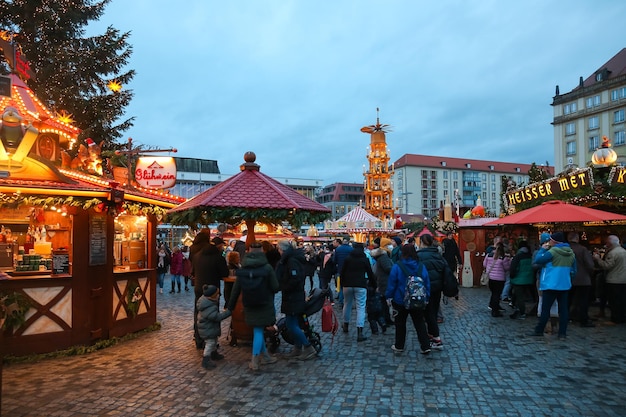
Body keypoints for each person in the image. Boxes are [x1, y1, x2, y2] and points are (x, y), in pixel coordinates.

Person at [227, 242, 280, 371]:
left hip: (249, 303)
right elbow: (275, 287)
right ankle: (255, 360)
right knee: (258, 331)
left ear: (249, 251)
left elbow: (235, 290)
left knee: (258, 330)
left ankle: (266, 357)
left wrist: (230, 306)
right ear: (262, 251)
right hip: (264, 303)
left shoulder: (243, 268)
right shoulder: (267, 268)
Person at [385, 244, 431, 355]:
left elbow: (392, 283)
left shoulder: (397, 266)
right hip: (417, 298)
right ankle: (425, 345)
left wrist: (388, 296)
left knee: (400, 323)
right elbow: (426, 282)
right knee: (419, 322)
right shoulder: (421, 266)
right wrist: (427, 297)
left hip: (400, 299)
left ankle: (399, 345)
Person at [275, 239, 317, 360]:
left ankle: (308, 347)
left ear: (282, 250)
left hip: (293, 296)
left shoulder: (291, 261)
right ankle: (298, 348)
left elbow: (295, 279)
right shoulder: (292, 259)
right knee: (293, 323)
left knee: (291, 324)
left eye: (278, 249)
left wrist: (284, 287)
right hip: (293, 296)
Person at [529, 232, 576, 339]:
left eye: (550, 240)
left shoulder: (553, 252)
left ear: (554, 241)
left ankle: (539, 330)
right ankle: (562, 333)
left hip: (550, 284)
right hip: (564, 285)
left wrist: (542, 249)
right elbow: (574, 270)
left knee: (546, 309)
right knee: (563, 310)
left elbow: (538, 260)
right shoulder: (571, 253)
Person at [191, 233, 229, 349]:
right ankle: (211, 342)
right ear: (218, 247)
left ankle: (199, 339)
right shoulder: (218, 257)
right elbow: (225, 274)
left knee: (198, 313)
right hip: (213, 290)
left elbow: (193, 272)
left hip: (198, 288)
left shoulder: (197, 255)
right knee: (213, 315)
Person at [340, 242, 377, 342]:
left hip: (347, 284)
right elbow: (370, 273)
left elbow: (342, 272)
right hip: (360, 284)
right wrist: (374, 285)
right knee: (360, 307)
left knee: (347, 304)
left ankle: (345, 325)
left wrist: (342, 284)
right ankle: (359, 332)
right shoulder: (364, 259)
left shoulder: (348, 258)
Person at [416, 234, 447, 350]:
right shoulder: (438, 255)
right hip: (437, 288)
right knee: (433, 311)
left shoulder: (419, 256)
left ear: (422, 243)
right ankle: (431, 334)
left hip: (424, 287)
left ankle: (436, 338)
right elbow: (445, 269)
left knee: (428, 314)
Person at [196, 284, 231, 369]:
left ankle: (214, 353)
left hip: (210, 328)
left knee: (214, 341)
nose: (219, 295)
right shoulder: (209, 306)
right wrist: (228, 312)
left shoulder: (208, 303)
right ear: (212, 296)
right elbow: (217, 317)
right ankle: (206, 359)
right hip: (207, 329)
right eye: (217, 294)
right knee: (210, 343)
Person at [593, 234, 626, 324]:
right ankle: (621, 317)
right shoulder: (623, 251)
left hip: (614, 279)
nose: (606, 244)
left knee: (614, 301)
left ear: (610, 243)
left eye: (607, 242)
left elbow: (607, 266)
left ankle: (615, 319)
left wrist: (598, 259)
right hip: (623, 279)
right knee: (621, 300)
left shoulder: (613, 253)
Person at [567, 231, 595, 327]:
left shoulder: (565, 249)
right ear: (577, 239)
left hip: (568, 278)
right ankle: (583, 319)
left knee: (568, 300)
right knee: (583, 300)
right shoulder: (582, 249)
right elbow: (590, 265)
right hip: (583, 279)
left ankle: (567, 317)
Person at [508, 240, 536, 320]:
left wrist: (512, 277)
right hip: (529, 279)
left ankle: (522, 312)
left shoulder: (518, 256)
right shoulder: (530, 255)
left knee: (519, 297)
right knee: (524, 296)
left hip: (519, 280)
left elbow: (513, 269)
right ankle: (519, 310)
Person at [370, 237, 394, 328]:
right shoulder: (384, 256)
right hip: (384, 281)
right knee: (384, 302)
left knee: (384, 301)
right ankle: (385, 319)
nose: (390, 246)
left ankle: (386, 318)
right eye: (389, 244)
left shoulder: (383, 255)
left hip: (383, 280)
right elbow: (387, 268)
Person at [483, 242, 511, 317]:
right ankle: (495, 311)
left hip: (490, 278)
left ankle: (493, 306)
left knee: (493, 293)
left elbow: (484, 264)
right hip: (499, 279)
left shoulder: (488, 255)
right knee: (497, 294)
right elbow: (507, 268)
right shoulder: (503, 258)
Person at [333, 237, 353, 306]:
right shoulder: (351, 249)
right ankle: (348, 301)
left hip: (340, 270)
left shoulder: (338, 249)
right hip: (349, 270)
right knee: (349, 286)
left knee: (341, 286)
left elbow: (334, 260)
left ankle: (340, 301)